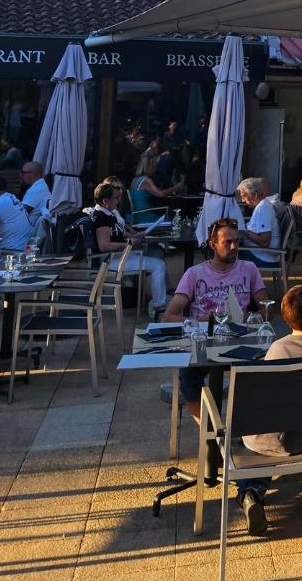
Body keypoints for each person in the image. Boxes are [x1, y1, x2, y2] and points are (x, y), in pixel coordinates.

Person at [236, 283, 302, 535]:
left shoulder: (276, 348)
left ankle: (250, 492)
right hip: (298, 440)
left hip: (261, 436)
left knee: (255, 443)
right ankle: (252, 491)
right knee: (277, 439)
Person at [164, 219, 270, 421]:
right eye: (227, 242)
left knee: (264, 373)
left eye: (237, 241)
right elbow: (169, 317)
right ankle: (212, 429)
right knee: (188, 378)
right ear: (213, 244)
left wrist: (248, 317)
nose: (234, 247)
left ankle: (243, 426)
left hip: (239, 342)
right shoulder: (194, 274)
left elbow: (267, 311)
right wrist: (202, 320)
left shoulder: (249, 269)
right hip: (205, 342)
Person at [89, 180, 169, 316]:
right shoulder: (101, 217)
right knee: (159, 265)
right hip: (110, 260)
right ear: (106, 201)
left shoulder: (108, 213)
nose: (118, 201)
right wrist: (128, 243)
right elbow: (104, 246)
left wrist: (134, 236)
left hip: (118, 256)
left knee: (156, 253)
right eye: (115, 198)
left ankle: (157, 298)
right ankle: (158, 307)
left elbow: (118, 234)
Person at [237, 177, 286, 267]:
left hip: (262, 257)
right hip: (261, 254)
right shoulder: (263, 205)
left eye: (244, 196)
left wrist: (244, 232)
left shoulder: (262, 209)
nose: (243, 200)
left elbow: (265, 242)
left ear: (255, 195)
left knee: (227, 259)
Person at [19, 160, 51, 230]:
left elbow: (20, 212)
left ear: (32, 174)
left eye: (23, 172)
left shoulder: (37, 189)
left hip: (27, 231)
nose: (20, 175)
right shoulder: (39, 186)